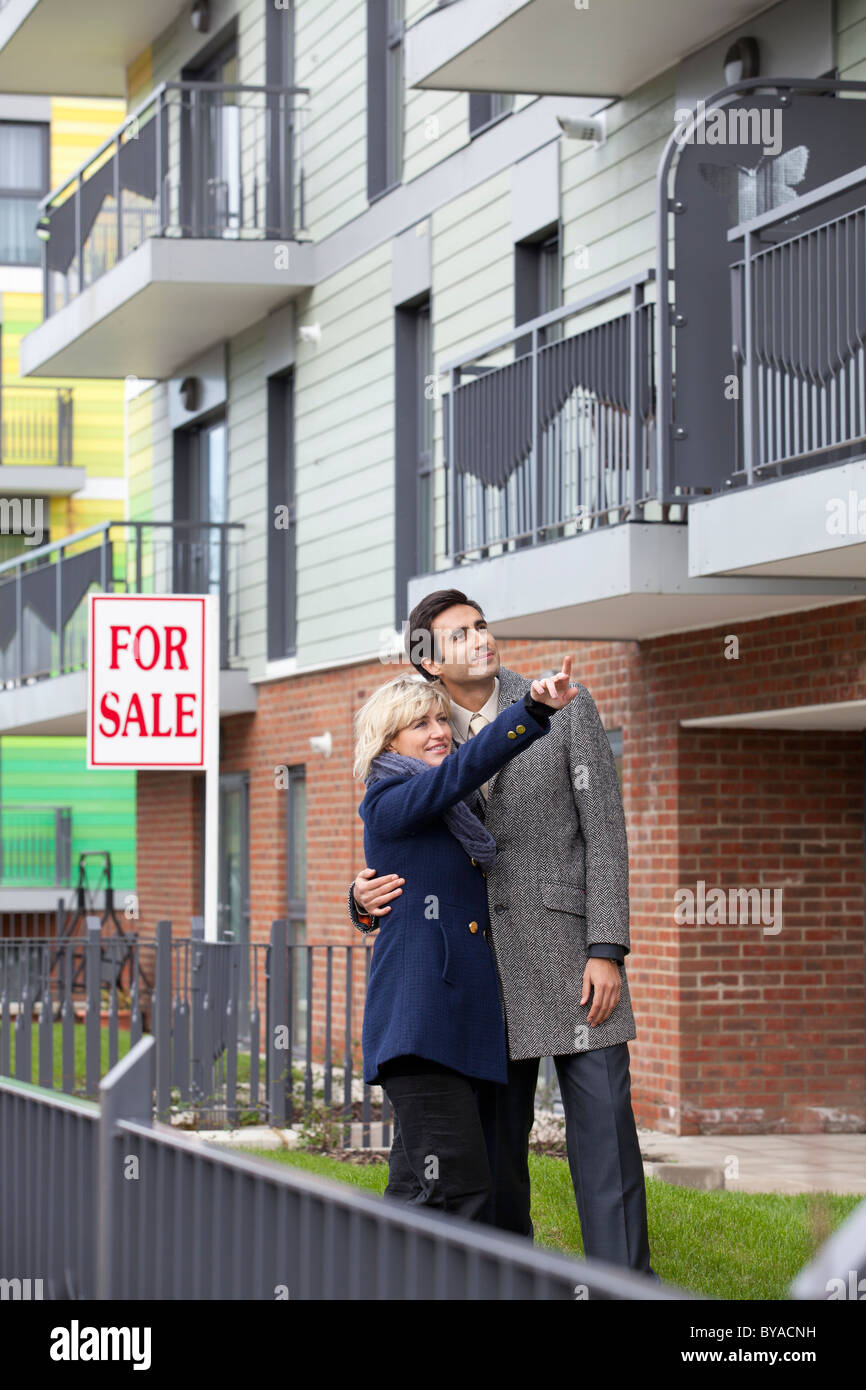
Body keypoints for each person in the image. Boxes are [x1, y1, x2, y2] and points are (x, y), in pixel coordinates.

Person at [349, 589, 657, 1278]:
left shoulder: (562, 705)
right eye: (460, 634)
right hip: (479, 984)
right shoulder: (425, 733)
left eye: (483, 625)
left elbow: (606, 837)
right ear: (428, 662)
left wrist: (607, 948)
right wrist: (358, 897)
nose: (481, 639)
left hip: (572, 959)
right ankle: (504, 1278)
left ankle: (629, 1290)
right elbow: (402, 847)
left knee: (605, 1139)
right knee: (492, 1159)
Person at [352, 659, 578, 1220]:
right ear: (389, 742)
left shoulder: (455, 813)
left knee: (418, 1193)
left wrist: (356, 902)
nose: (440, 732)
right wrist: (531, 711)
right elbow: (458, 774)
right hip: (420, 1025)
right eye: (421, 724)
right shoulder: (389, 800)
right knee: (458, 1190)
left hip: (459, 1028)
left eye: (440, 719)